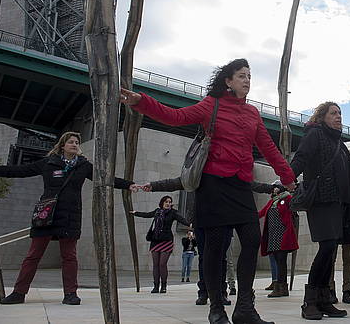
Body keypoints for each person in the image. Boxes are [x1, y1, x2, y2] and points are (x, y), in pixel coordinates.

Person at [121, 58, 295, 324]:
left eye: (249, 76)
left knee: (250, 240)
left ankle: (245, 308)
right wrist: (141, 101)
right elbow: (175, 117)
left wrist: (288, 177)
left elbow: (269, 149)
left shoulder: (252, 115)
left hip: (240, 185)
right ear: (228, 81)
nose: (247, 80)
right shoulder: (210, 106)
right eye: (241, 76)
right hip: (213, 185)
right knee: (214, 248)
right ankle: (216, 308)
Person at [0, 131, 138, 305]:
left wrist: (129, 184)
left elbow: (105, 177)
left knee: (69, 256)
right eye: (71, 142)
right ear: (62, 145)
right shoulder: (48, 163)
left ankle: (70, 293)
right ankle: (19, 293)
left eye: (77, 142)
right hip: (46, 215)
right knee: (33, 256)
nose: (74, 144)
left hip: (70, 215)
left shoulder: (83, 166)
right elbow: (19, 171)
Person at [140, 173, 284, 307]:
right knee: (204, 258)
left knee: (221, 259)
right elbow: (181, 181)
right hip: (203, 221)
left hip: (224, 220)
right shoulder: (201, 171)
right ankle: (203, 292)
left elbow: (250, 184)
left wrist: (272, 188)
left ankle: (221, 293)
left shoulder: (229, 171)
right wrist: (154, 186)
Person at [290, 101, 350, 320]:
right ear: (322, 117)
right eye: (333, 113)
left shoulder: (338, 142)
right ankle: (309, 301)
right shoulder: (315, 135)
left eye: (340, 113)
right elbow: (300, 158)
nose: (339, 117)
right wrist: (286, 177)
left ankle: (325, 300)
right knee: (327, 247)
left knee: (330, 251)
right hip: (321, 201)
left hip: (339, 203)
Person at [131, 195, 191, 293]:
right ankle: (155, 286)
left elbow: (182, 219)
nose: (168, 203)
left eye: (170, 202)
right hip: (155, 240)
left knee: (162, 264)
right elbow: (147, 214)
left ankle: (163, 286)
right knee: (155, 265)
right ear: (162, 203)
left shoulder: (173, 213)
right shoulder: (157, 212)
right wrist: (135, 213)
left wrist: (190, 224)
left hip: (167, 240)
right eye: (166, 202)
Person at [258, 184, 298, 298]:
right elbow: (261, 213)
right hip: (273, 236)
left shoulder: (287, 198)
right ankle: (281, 287)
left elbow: (294, 205)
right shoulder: (271, 202)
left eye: (275, 188)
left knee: (281, 260)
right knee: (277, 259)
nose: (273, 190)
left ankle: (280, 287)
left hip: (283, 235)